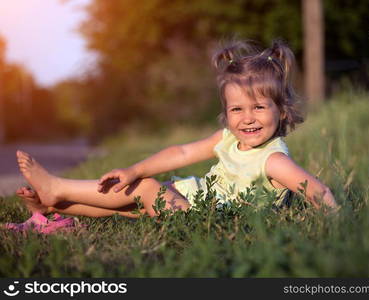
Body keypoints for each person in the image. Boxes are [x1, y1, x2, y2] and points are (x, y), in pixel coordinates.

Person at [15, 39, 339, 220]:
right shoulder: (228, 138)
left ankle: (58, 187)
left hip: (214, 220)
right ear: (226, 113)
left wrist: (337, 220)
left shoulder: (273, 160)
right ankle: (52, 207)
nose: (247, 118)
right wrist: (133, 168)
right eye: (237, 109)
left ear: (280, 111)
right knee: (132, 205)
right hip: (197, 199)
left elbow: (317, 190)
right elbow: (183, 152)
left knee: (144, 191)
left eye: (259, 107)